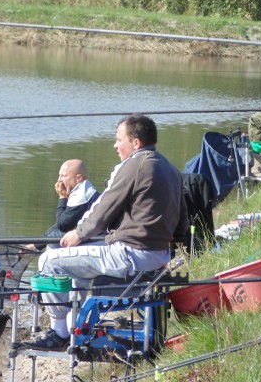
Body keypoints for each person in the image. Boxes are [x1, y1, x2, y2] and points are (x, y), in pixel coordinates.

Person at [23, 114, 188, 350]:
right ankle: (74, 325)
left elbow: (103, 209)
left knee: (49, 260)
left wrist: (78, 234)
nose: (115, 145)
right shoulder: (170, 168)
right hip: (159, 256)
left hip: (129, 255)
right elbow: (181, 225)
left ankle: (58, 332)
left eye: (119, 139)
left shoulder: (134, 165)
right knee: (75, 261)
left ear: (136, 143)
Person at [26, 159, 101, 251]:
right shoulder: (85, 189)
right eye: (59, 175)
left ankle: (33, 248)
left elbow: (62, 225)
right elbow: (60, 224)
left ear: (78, 178)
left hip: (97, 238)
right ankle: (34, 246)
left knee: (53, 244)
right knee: (53, 235)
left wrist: (62, 197)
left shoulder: (82, 196)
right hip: (90, 233)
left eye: (63, 176)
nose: (59, 180)